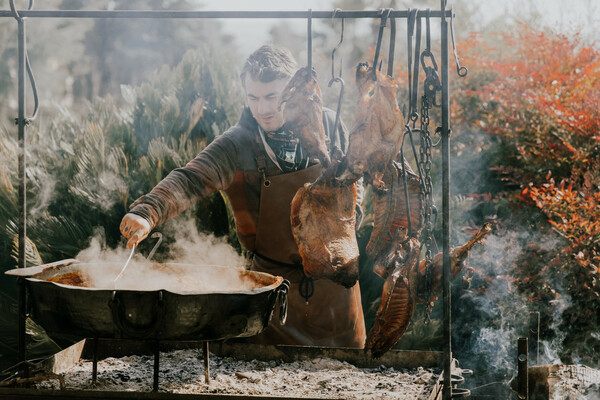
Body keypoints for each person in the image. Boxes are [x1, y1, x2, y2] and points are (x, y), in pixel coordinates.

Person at [119, 44, 366, 348]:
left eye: (272, 97)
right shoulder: (237, 143)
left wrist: (350, 217)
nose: (262, 109)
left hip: (336, 292)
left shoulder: (327, 123)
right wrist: (147, 212)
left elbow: (355, 180)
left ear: (293, 91)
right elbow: (191, 178)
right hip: (273, 292)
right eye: (253, 98)